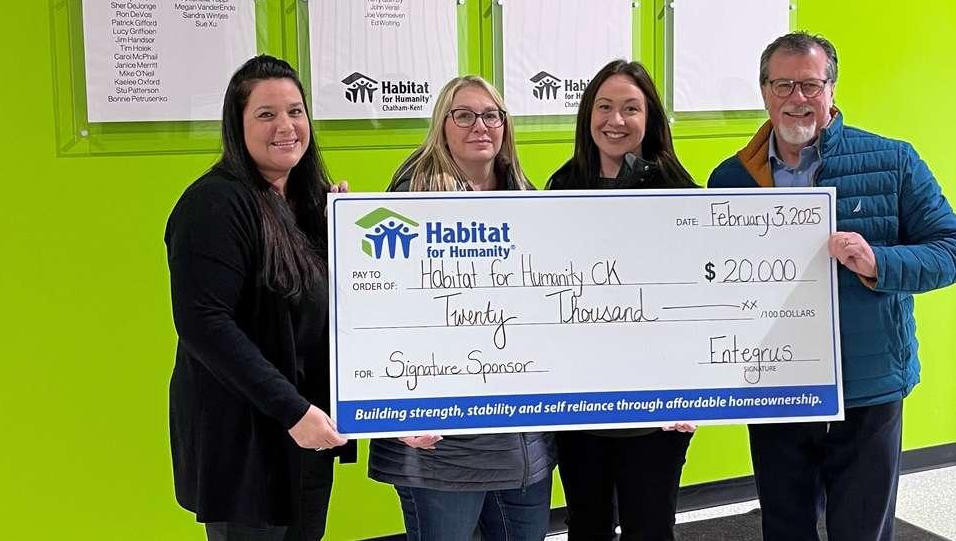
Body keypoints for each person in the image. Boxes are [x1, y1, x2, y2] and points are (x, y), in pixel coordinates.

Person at [707, 32, 956, 541]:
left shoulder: (893, 161)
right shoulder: (730, 178)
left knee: (862, 528)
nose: (797, 98)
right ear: (764, 91)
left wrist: (879, 262)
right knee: (785, 525)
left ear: (831, 89)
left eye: (810, 84)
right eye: (783, 85)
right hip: (775, 384)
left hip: (868, 386)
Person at [165, 55, 355, 541]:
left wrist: (344, 239)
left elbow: (321, 312)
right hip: (248, 439)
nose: (286, 126)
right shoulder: (214, 203)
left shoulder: (308, 203)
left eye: (295, 111)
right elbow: (205, 323)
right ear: (238, 125)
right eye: (266, 114)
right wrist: (292, 410)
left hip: (307, 432)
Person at [368, 74, 556, 541]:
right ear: (442, 125)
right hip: (442, 444)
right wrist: (397, 410)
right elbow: (380, 315)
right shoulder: (410, 203)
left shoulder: (530, 198)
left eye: (491, 115)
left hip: (522, 441)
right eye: (465, 115)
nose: (480, 126)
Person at [546, 59, 697, 541]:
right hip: (579, 401)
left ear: (650, 117)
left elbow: (699, 301)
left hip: (657, 408)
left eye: (631, 108)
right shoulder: (560, 187)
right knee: (585, 525)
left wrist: (697, 389)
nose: (616, 120)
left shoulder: (679, 190)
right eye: (604, 107)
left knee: (649, 526)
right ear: (587, 115)